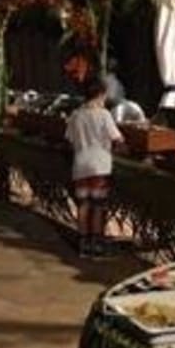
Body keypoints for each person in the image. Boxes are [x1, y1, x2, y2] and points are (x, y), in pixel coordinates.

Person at [65, 77, 123, 257]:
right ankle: (96, 243)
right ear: (101, 94)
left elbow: (69, 139)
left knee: (83, 204)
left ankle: (83, 243)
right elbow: (117, 138)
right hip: (100, 166)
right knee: (98, 205)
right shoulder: (104, 115)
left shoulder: (76, 115)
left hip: (81, 165)